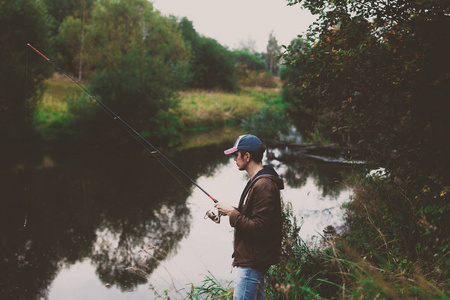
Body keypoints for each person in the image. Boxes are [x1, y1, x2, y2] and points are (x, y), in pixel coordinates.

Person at [215, 134, 284, 300]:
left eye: (236, 155)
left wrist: (233, 214)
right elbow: (255, 217)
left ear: (247, 156)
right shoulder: (258, 181)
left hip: (253, 261)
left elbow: (259, 227)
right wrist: (232, 210)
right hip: (254, 258)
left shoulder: (264, 185)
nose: (234, 159)